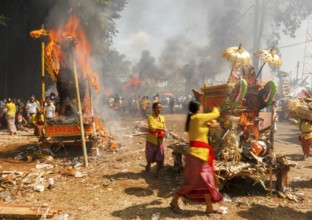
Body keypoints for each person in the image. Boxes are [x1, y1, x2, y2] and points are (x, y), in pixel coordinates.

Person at [170, 101, 223, 214]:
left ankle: (209, 207)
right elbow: (216, 114)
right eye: (202, 106)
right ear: (198, 108)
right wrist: (215, 106)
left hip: (200, 155)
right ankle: (174, 201)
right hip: (196, 156)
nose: (203, 108)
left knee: (206, 182)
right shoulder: (198, 117)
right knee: (191, 183)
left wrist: (209, 125)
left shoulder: (194, 119)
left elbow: (201, 128)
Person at [145, 102, 166, 177]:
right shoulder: (150, 117)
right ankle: (148, 165)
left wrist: (164, 133)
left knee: (160, 155)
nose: (159, 109)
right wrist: (161, 129)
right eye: (157, 108)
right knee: (150, 156)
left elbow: (164, 127)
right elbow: (152, 127)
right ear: (153, 109)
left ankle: (157, 173)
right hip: (152, 139)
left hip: (160, 139)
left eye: (160, 107)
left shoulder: (163, 118)